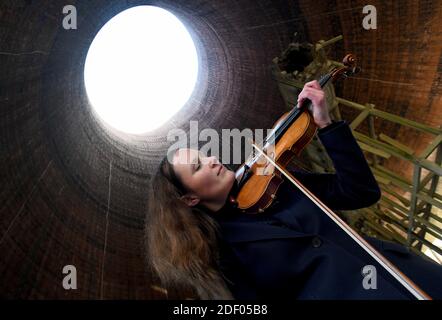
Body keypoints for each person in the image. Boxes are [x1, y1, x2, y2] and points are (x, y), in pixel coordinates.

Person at [145, 81, 442, 300]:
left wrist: (325, 125)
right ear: (190, 198)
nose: (211, 160)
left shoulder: (271, 178)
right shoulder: (219, 256)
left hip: (403, 274)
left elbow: (360, 192)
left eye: (203, 155)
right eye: (197, 167)